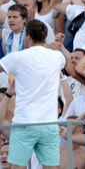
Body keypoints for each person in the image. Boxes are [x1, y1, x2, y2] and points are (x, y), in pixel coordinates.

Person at [0, 19, 65, 168]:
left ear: (27, 37)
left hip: (24, 123)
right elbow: (49, 53)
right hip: (49, 123)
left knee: (17, 167)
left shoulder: (18, 57)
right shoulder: (57, 57)